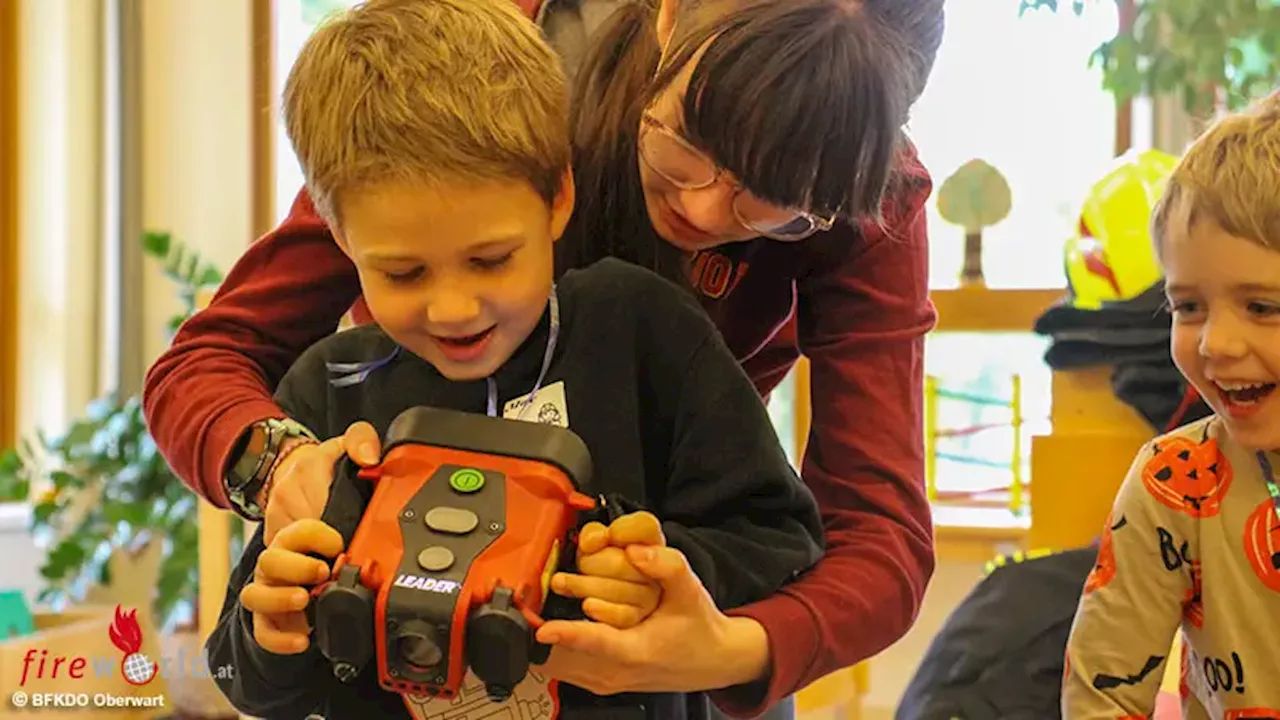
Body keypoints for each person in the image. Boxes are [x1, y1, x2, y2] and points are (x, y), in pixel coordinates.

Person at [144, 0, 946, 715]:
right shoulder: (471, 97)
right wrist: (280, 470)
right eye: (686, 143)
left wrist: (727, 649)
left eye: (772, 203)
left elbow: (868, 534)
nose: (699, 210)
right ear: (669, 15)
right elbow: (206, 364)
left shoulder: (837, 208)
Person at [1062, 92, 1280, 717]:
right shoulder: (1173, 483)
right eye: (1188, 306)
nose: (1215, 342)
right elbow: (1101, 695)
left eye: (1262, 306)